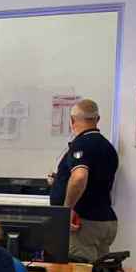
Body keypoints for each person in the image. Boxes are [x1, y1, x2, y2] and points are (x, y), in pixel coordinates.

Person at [48, 99, 118, 262]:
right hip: (105, 220)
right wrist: (59, 181)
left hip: (82, 224)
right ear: (97, 119)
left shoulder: (81, 144)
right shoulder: (108, 147)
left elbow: (79, 177)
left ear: (72, 120)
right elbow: (95, 180)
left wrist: (67, 211)